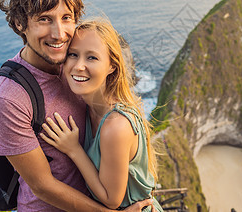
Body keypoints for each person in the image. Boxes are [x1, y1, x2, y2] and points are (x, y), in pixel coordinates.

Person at [0, 0, 153, 211]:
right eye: (44, 19)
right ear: (21, 23)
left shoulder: (73, 65)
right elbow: (42, 185)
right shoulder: (8, 96)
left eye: (66, 18)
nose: (59, 33)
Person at [40, 18, 163, 212]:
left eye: (92, 58)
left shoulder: (116, 126)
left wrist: (74, 150)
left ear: (112, 66)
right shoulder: (88, 108)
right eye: (73, 54)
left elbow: (111, 200)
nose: (79, 66)